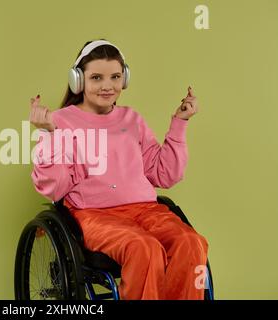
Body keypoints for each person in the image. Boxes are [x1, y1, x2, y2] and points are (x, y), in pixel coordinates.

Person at [28, 39, 208, 300]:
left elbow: (163, 174)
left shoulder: (132, 118)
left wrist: (180, 123)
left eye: (115, 76)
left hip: (146, 210)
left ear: (125, 78)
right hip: (94, 216)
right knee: (143, 248)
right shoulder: (60, 121)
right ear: (78, 80)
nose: (107, 86)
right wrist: (48, 134)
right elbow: (55, 187)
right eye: (97, 77)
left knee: (192, 243)